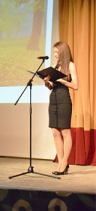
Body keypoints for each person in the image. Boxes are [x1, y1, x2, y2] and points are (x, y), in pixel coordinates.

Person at [43, 41, 78, 175]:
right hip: (53, 100)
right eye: (54, 53)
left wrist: (62, 80)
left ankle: (64, 162)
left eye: (57, 52)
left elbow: (75, 86)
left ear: (63, 52)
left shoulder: (70, 66)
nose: (55, 55)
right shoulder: (54, 67)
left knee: (65, 131)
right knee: (55, 132)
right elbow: (52, 86)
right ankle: (62, 162)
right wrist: (47, 83)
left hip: (64, 100)